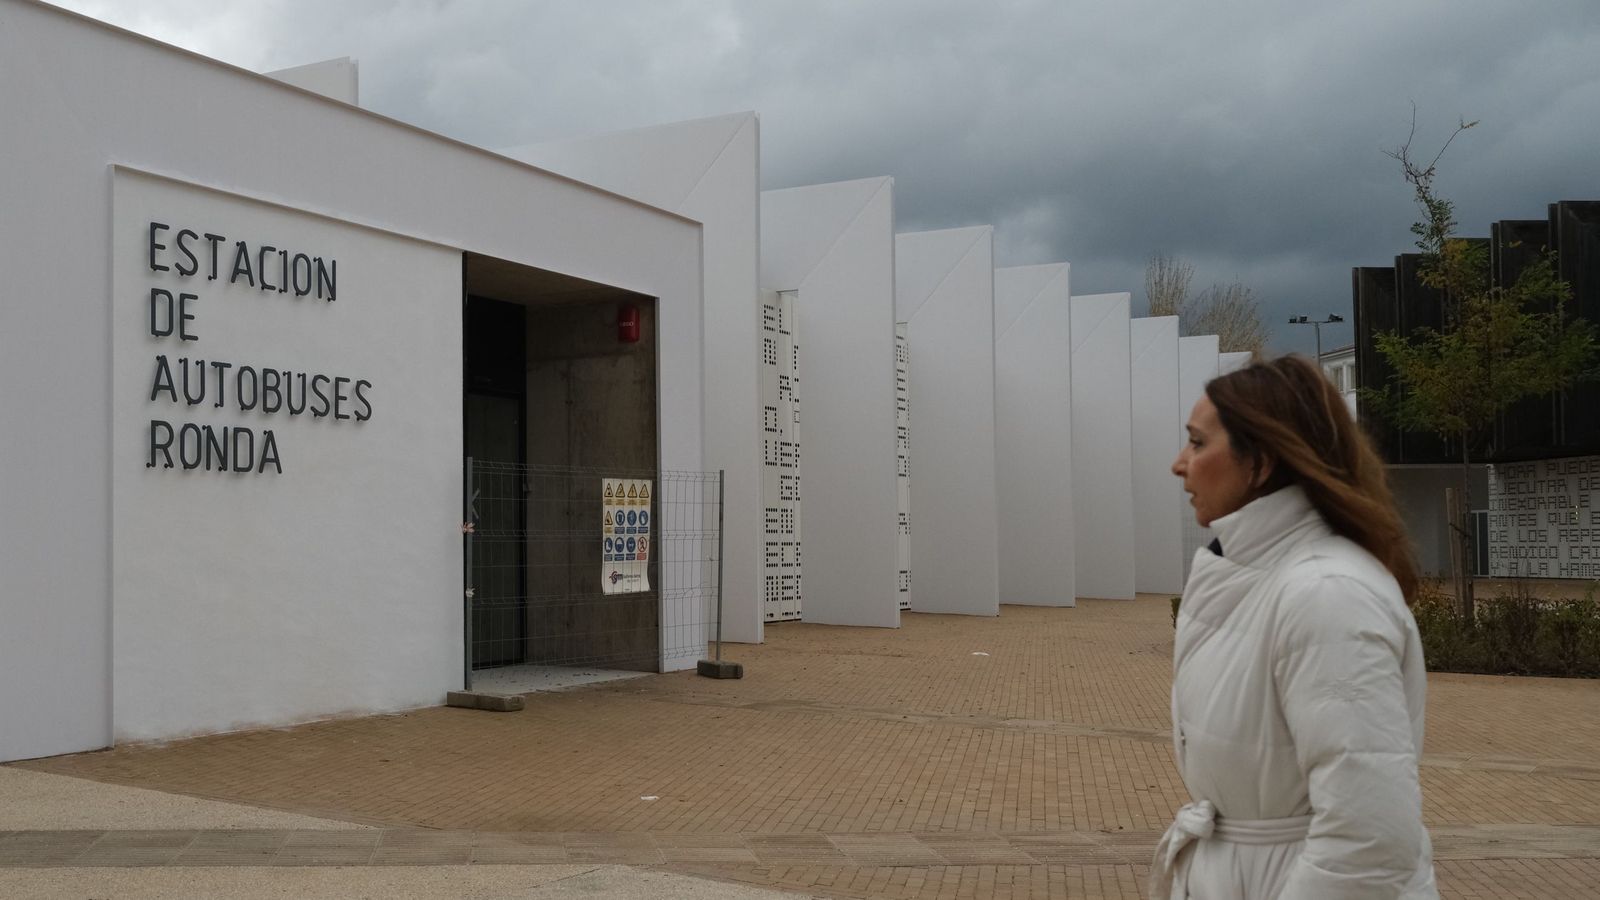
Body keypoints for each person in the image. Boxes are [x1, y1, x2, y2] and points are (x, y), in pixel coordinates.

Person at [1152, 354, 1438, 899]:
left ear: (1258, 461)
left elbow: (1369, 839)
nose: (1179, 463)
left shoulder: (1326, 594)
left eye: (1196, 442)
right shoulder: (1261, 579)